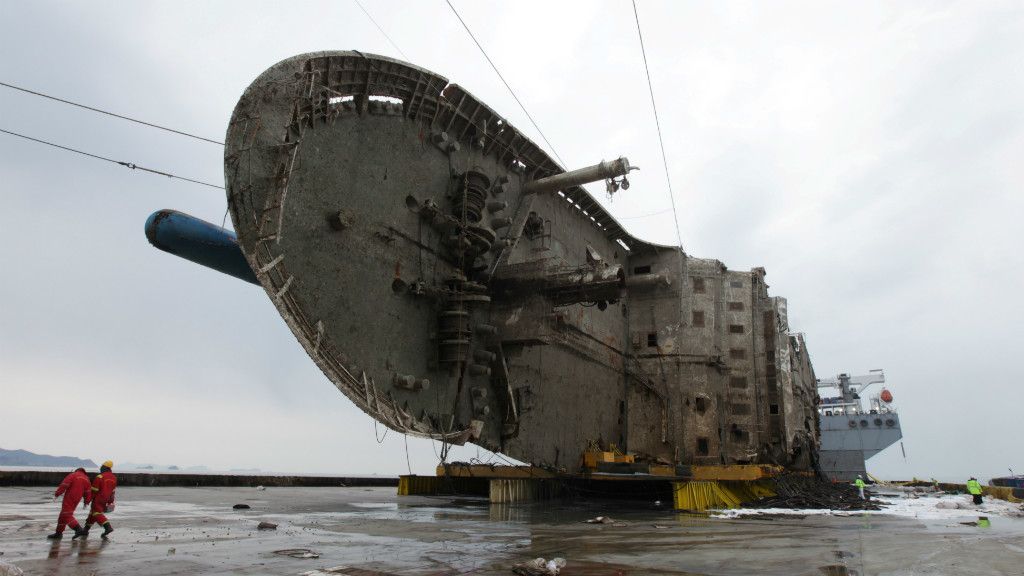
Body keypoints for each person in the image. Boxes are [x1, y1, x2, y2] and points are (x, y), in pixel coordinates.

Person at [46, 468, 91, 539]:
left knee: (66, 514)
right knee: (62, 515)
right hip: (77, 499)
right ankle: (58, 533)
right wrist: (86, 501)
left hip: (70, 496)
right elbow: (88, 492)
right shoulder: (86, 479)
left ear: (76, 470)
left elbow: (64, 484)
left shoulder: (73, 475)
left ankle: (78, 529)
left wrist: (58, 493)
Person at [82, 460, 117, 539]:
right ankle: (86, 530)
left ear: (105, 467)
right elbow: (113, 491)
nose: (100, 468)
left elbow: (94, 490)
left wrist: (87, 500)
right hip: (106, 499)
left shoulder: (100, 477)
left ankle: (108, 527)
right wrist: (110, 501)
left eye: (102, 467)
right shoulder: (114, 478)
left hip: (98, 498)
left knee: (96, 513)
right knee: (92, 514)